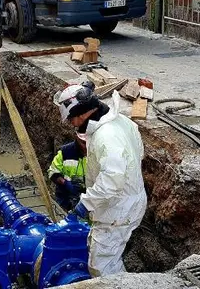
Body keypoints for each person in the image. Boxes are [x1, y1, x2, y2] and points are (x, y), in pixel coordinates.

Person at [53, 81, 147, 277]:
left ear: (83, 113)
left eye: (72, 119)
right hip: (125, 200)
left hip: (118, 209)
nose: (72, 124)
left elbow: (111, 181)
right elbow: (138, 153)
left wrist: (85, 203)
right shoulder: (121, 122)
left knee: (102, 267)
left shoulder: (106, 137)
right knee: (104, 253)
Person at [47, 133, 87, 212]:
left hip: (88, 198)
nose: (86, 146)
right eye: (83, 143)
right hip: (65, 197)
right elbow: (53, 172)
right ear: (77, 137)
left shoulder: (98, 152)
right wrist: (65, 183)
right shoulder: (65, 152)